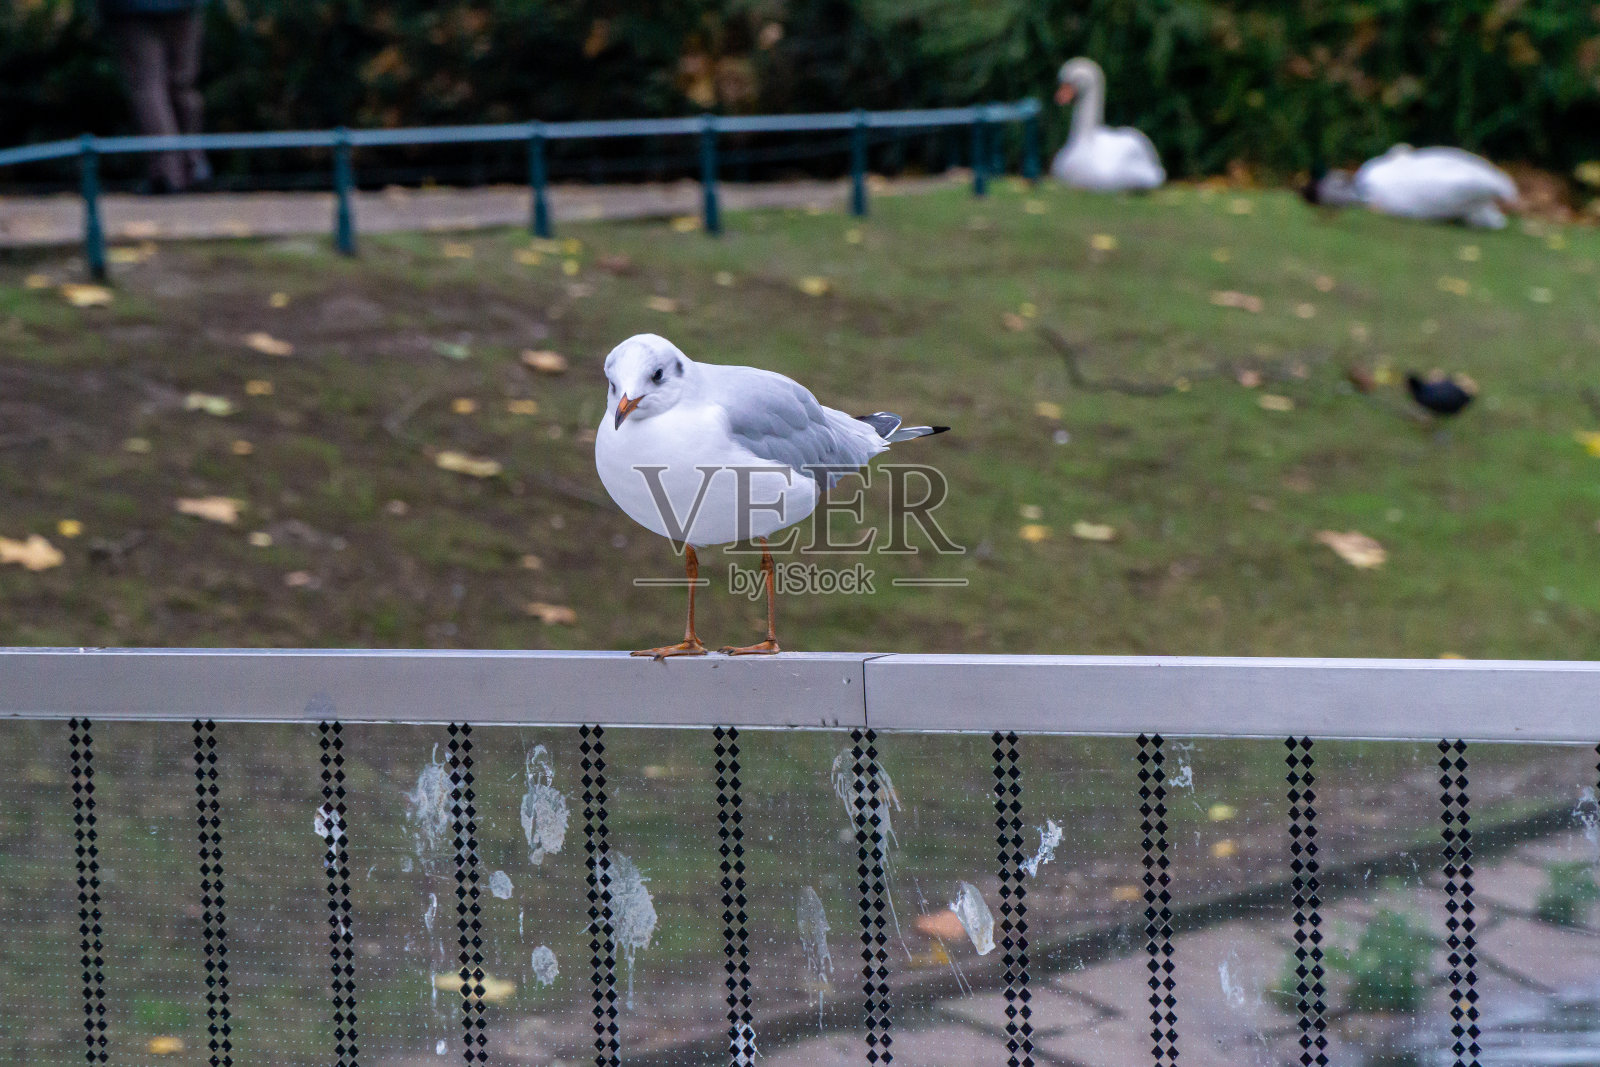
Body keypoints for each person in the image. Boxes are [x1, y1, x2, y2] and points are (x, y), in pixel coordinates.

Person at [101, 0, 212, 193]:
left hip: (133, 9)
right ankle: (194, 164)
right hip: (182, 6)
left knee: (149, 85)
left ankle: (168, 172)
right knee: (182, 82)